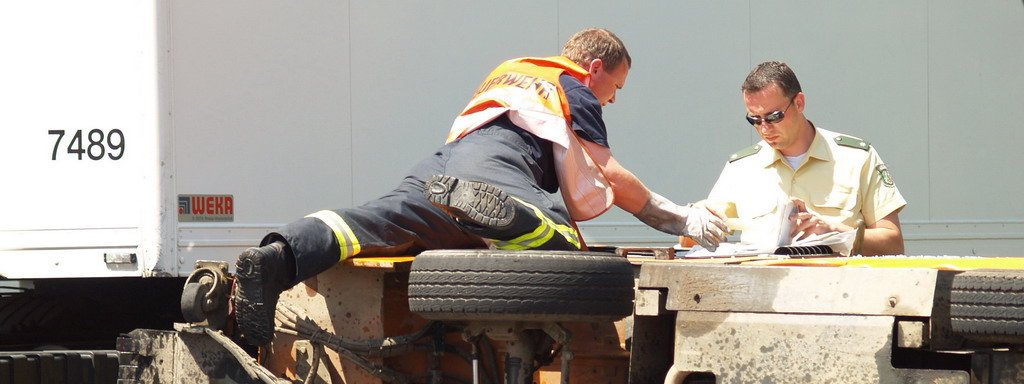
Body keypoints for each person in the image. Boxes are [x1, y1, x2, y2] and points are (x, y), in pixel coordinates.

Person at [233, 28, 727, 345]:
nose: (612, 100)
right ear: (596, 68)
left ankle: (277, 259)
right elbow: (607, 174)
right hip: (500, 168)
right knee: (563, 244)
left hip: (439, 170)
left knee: (366, 222)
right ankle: (502, 214)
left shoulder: (511, 71)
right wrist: (680, 218)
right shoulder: (572, 84)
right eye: (615, 88)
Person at [703, 61, 906, 256]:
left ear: (799, 103)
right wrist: (691, 223)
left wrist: (835, 231)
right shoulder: (741, 168)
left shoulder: (856, 158)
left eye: (774, 117)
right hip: (763, 287)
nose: (764, 128)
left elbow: (892, 243)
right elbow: (701, 228)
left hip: (836, 287)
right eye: (754, 119)